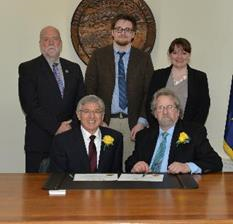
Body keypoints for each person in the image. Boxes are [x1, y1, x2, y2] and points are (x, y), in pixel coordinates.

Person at [85, 14, 154, 163]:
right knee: (106, 166)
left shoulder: (143, 58)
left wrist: (142, 122)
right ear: (112, 32)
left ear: (133, 34)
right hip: (106, 122)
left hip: (134, 124)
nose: (123, 33)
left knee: (130, 167)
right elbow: (90, 90)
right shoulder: (98, 56)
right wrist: (99, 118)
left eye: (128, 30)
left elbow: (149, 93)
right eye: (119, 29)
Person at [18, 26, 85, 172]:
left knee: (68, 189)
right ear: (40, 44)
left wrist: (70, 126)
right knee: (35, 191)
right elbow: (30, 106)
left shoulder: (74, 68)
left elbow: (81, 103)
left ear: (60, 43)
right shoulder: (28, 69)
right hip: (40, 143)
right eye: (46, 39)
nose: (50, 43)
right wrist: (56, 127)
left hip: (69, 140)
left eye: (54, 39)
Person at [125, 88, 222, 174]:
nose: (165, 112)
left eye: (170, 107)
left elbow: (214, 162)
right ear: (154, 114)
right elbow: (129, 162)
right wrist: (135, 165)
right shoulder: (144, 135)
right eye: (160, 108)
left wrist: (187, 167)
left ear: (178, 112)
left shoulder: (194, 132)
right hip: (148, 187)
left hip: (177, 189)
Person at [49, 95, 123, 173]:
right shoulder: (62, 141)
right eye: (86, 111)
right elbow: (58, 176)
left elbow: (116, 173)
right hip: (73, 185)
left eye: (97, 111)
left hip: (105, 185)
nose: (92, 116)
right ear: (78, 115)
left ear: (103, 116)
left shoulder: (116, 137)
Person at [146, 38, 210, 127]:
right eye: (175, 53)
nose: (179, 57)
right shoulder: (158, 75)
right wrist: (156, 128)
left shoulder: (200, 77)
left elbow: (203, 108)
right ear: (169, 55)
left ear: (189, 55)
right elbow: (149, 103)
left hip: (188, 130)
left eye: (184, 53)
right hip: (160, 129)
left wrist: (192, 131)